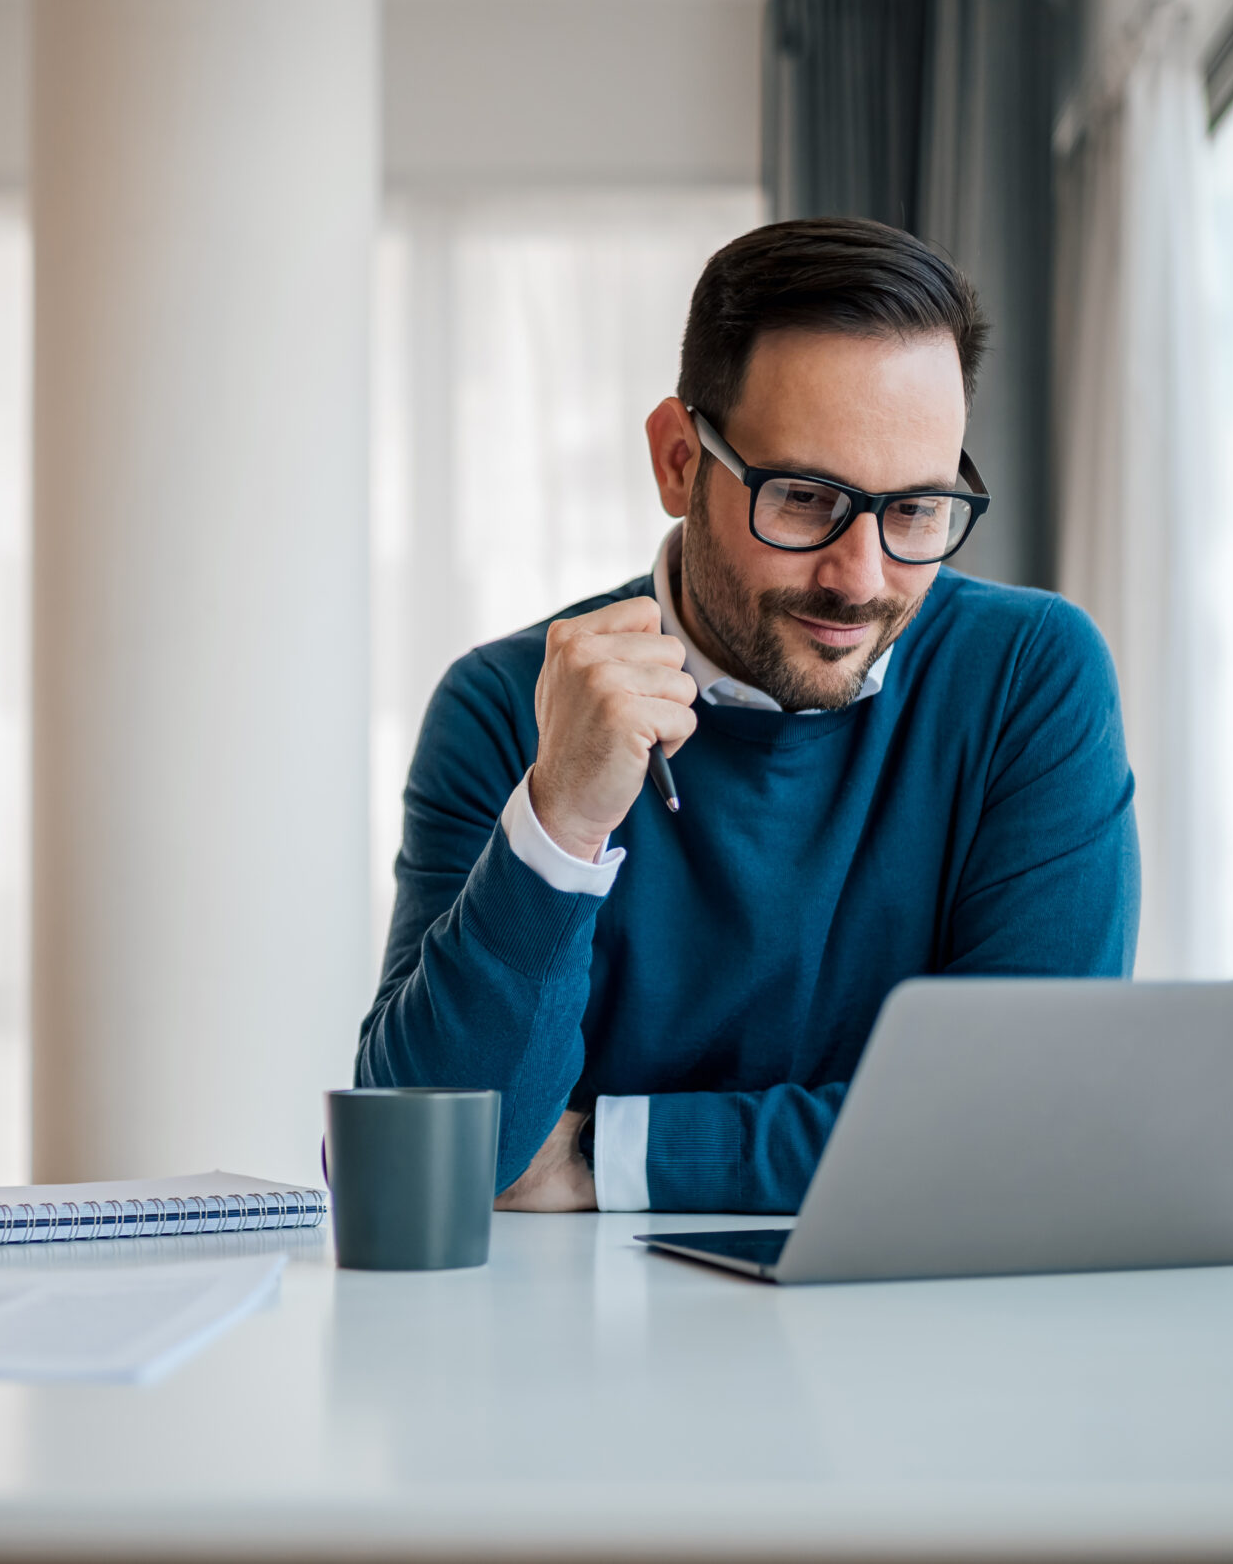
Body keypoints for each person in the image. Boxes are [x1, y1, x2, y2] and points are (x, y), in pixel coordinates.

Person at [355, 217, 1138, 1214]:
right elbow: (421, 1158)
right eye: (806, 497)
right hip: (573, 1356)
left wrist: (608, 1154)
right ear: (679, 459)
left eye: (916, 510)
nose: (860, 580)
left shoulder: (1030, 674)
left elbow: (1027, 1123)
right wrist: (561, 821)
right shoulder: (505, 704)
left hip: (924, 1343)